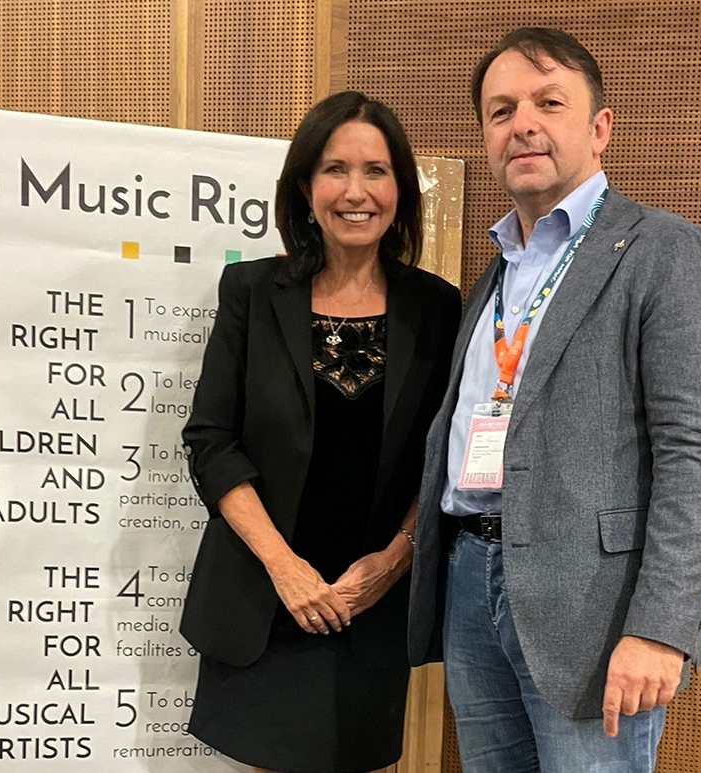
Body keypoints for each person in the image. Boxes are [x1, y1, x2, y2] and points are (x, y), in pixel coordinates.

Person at [407, 28, 701, 772]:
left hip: (595, 606)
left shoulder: (663, 249)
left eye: (548, 103)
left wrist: (661, 627)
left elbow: (695, 452)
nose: (522, 123)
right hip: (470, 578)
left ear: (599, 129)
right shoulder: (496, 273)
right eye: (501, 110)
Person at [180, 90, 461, 773]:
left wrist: (392, 562)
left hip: (370, 607)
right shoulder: (251, 292)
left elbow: (445, 455)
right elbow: (211, 442)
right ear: (305, 188)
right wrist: (286, 569)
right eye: (336, 169)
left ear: (400, 190)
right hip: (265, 599)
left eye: (376, 170)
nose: (355, 191)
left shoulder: (437, 307)